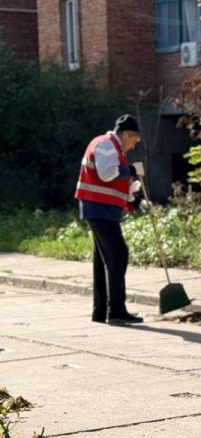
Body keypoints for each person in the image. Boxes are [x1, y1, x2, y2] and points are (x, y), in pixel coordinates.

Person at [74, 114, 146, 325]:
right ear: (125, 134)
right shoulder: (106, 145)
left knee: (102, 261)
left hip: (100, 208)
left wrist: (135, 201)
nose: (134, 145)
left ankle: (100, 311)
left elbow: (112, 183)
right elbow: (107, 174)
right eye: (134, 140)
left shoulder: (113, 148)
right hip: (99, 209)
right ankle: (116, 311)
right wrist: (132, 169)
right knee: (118, 255)